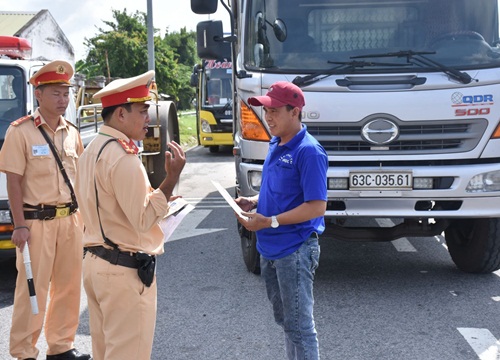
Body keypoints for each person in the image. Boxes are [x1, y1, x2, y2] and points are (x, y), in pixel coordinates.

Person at [74, 70, 186, 360]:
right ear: (121, 114)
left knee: (106, 353)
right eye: (142, 110)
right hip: (122, 270)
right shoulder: (123, 156)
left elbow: (110, 204)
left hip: (97, 263)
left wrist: (160, 195)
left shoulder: (92, 149)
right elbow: (142, 219)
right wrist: (170, 179)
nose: (148, 117)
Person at [0, 60, 91, 360]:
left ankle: (61, 346)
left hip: (70, 221)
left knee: (68, 287)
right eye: (56, 93)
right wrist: (19, 225)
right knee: (31, 290)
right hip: (36, 223)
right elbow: (14, 182)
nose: (63, 99)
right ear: (38, 94)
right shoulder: (20, 132)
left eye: (66, 93)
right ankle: (25, 351)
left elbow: (81, 180)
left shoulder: (72, 133)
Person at [235, 81, 328, 360]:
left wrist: (270, 221)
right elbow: (279, 190)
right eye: (266, 111)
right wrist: (254, 201)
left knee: (300, 326)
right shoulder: (277, 142)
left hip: (295, 249)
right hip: (271, 248)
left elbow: (316, 206)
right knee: (287, 323)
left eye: (275, 110)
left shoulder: (309, 151)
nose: (269, 117)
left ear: (295, 112)